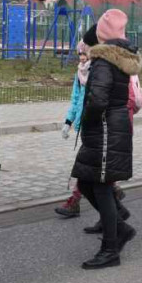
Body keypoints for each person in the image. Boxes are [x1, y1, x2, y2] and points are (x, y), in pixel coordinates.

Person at [71, 10, 141, 269]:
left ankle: (111, 247)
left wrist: (87, 120)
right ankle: (119, 225)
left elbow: (98, 98)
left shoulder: (103, 59)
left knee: (98, 185)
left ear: (102, 34)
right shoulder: (118, 57)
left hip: (104, 130)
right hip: (110, 128)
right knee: (86, 182)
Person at [55, 42, 91, 218]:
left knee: (83, 165)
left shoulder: (97, 74)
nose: (82, 58)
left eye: (85, 55)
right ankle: (112, 192)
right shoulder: (79, 73)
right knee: (90, 166)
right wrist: (68, 122)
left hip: (93, 126)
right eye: (80, 55)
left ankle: (75, 200)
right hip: (82, 124)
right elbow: (75, 99)